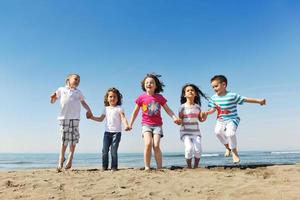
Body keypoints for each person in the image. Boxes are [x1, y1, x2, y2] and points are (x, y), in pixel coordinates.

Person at [205, 75, 266, 163]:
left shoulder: (232, 95)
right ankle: (227, 147)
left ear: (224, 85)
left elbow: (245, 99)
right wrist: (207, 113)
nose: (214, 88)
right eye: (213, 87)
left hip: (232, 119)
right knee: (217, 132)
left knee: (230, 133)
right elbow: (212, 109)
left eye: (216, 86)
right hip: (220, 120)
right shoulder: (213, 98)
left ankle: (234, 152)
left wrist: (259, 101)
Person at [128, 73, 181, 171]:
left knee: (156, 145)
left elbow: (168, 110)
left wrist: (174, 117)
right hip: (146, 125)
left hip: (157, 125)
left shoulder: (159, 97)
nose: (149, 84)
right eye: (147, 82)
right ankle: (147, 167)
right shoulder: (141, 98)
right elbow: (135, 112)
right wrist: (130, 124)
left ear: (156, 86)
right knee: (148, 144)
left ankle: (159, 167)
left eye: (151, 82)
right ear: (144, 85)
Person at [50, 74, 92, 171]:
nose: (77, 81)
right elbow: (53, 101)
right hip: (64, 118)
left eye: (79, 80)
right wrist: (52, 97)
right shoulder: (61, 89)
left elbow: (83, 103)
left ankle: (70, 158)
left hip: (75, 118)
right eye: (76, 79)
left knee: (73, 138)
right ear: (68, 80)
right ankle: (61, 158)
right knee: (64, 138)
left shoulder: (78, 92)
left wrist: (89, 110)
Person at [86, 87, 130, 171]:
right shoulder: (105, 109)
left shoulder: (119, 108)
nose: (112, 98)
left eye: (114, 97)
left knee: (113, 150)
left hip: (116, 133)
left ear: (118, 98)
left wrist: (126, 125)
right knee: (104, 150)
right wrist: (91, 117)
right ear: (107, 98)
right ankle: (104, 167)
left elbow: (123, 118)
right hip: (107, 133)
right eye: (110, 96)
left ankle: (114, 167)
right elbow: (100, 119)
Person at [178, 84, 208, 168]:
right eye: (188, 90)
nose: (190, 91)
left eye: (192, 90)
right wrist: (177, 121)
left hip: (196, 132)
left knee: (198, 149)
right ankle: (189, 167)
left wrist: (205, 116)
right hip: (185, 132)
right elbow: (180, 121)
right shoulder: (182, 107)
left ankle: (196, 166)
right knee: (189, 148)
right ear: (185, 95)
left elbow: (201, 120)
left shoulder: (198, 107)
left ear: (195, 94)